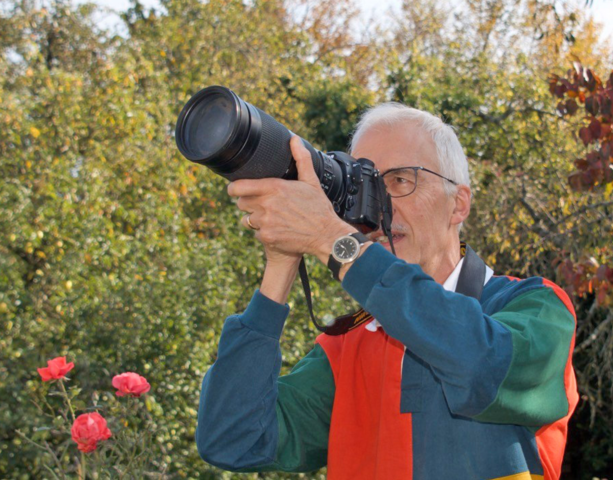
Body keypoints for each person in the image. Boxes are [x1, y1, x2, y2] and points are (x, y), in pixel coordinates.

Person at [195, 103, 578, 480]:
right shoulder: (348, 347)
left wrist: (334, 241)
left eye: (400, 180)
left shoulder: (535, 308)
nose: (379, 206)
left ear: (458, 203)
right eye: (364, 185)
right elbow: (232, 437)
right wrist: (281, 264)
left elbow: (479, 365)